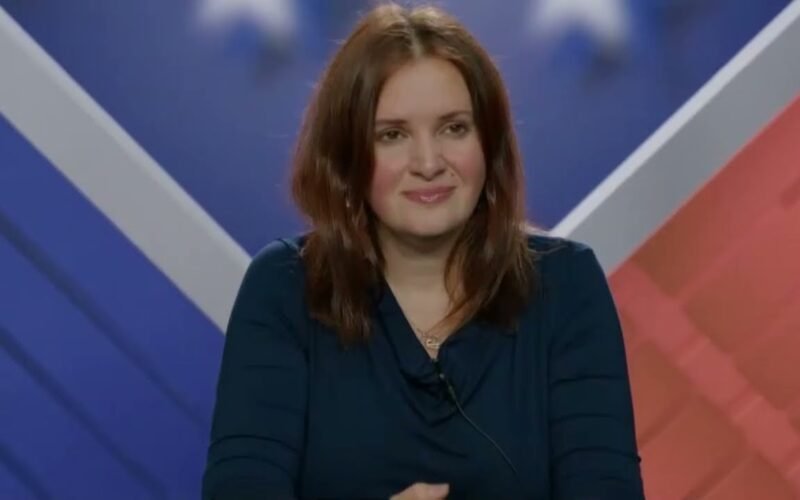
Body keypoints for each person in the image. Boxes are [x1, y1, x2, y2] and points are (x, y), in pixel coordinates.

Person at [202, 3, 644, 499]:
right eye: (392, 135)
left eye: (454, 128)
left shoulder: (565, 284)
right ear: (347, 156)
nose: (429, 162)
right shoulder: (285, 287)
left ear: (489, 143)